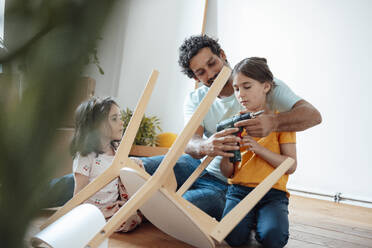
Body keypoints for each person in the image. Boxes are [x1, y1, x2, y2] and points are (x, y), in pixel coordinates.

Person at [177, 34, 321, 221]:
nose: (210, 74)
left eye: (212, 63)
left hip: (230, 183)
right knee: (146, 166)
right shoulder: (195, 98)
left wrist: (274, 123)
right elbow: (188, 143)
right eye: (200, 72)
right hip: (200, 166)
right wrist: (206, 146)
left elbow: (313, 116)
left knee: (184, 205)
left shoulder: (262, 84)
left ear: (222, 54)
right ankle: (136, 208)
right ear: (195, 77)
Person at [219, 57, 297, 247]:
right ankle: (252, 219)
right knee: (232, 237)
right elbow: (228, 172)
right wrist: (225, 153)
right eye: (236, 89)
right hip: (239, 191)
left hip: (273, 193)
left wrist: (259, 149)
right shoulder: (233, 123)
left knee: (273, 237)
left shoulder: (281, 121)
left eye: (247, 87)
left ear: (266, 87)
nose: (240, 94)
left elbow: (291, 165)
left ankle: (260, 220)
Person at [70, 96, 144, 232]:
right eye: (114, 119)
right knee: (123, 221)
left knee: (136, 163)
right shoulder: (86, 156)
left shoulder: (116, 152)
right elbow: (78, 193)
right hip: (93, 211)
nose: (122, 123)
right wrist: (77, 220)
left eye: (120, 117)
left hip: (114, 206)